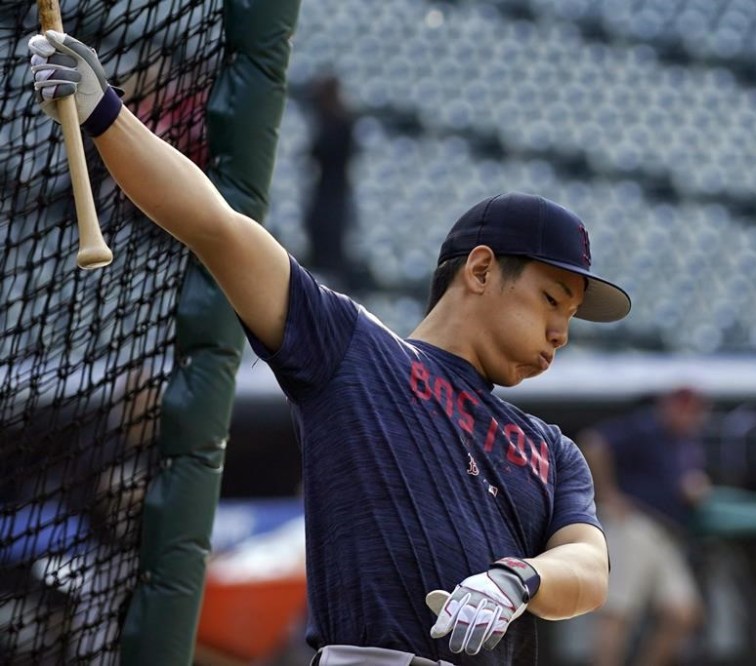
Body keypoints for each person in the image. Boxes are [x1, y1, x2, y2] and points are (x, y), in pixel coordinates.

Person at [28, 30, 632, 666]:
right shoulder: (353, 350)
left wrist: (518, 578)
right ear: (480, 271)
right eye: (551, 300)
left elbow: (588, 571)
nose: (563, 331)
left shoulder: (551, 447)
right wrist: (104, 115)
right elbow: (217, 226)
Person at [578, 387, 711, 666]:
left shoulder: (687, 442)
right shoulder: (644, 428)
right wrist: (606, 493)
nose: (686, 415)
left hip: (667, 533)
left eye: (693, 410)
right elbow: (593, 443)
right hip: (634, 526)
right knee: (617, 613)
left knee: (682, 613)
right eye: (681, 407)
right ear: (667, 406)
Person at [298, 74, 358, 285]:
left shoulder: (340, 124)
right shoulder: (332, 122)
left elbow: (323, 153)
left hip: (332, 195)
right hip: (327, 192)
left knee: (329, 247)